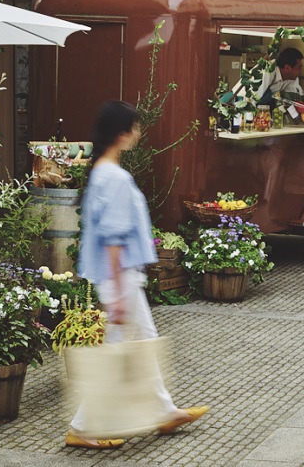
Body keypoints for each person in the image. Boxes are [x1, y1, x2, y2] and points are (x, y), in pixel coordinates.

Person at [67, 101, 208, 449]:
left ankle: (165, 411)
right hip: (121, 276)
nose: (139, 133)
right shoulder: (114, 177)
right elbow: (113, 239)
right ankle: (82, 427)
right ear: (122, 133)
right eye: (135, 127)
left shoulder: (100, 170)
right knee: (118, 351)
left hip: (119, 276)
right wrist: (115, 293)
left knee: (143, 343)